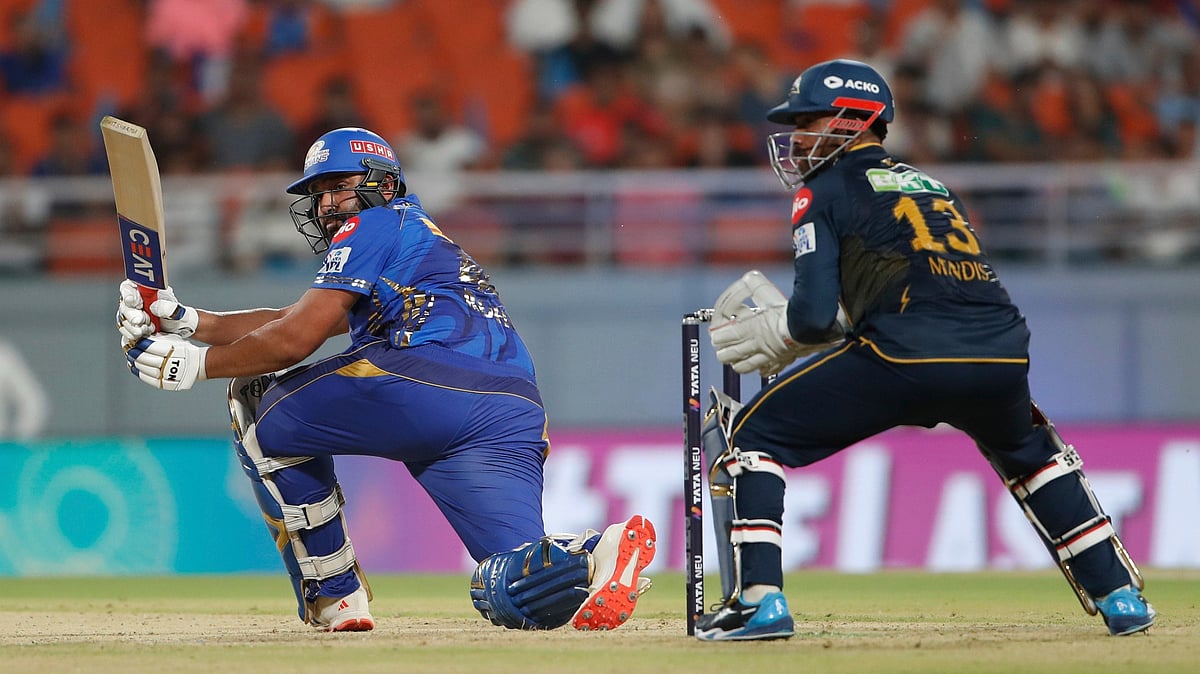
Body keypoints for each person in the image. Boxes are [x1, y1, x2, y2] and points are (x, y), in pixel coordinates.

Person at [115, 127, 655, 632]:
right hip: (511, 409)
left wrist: (193, 364)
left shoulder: (375, 222)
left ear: (385, 184)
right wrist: (188, 320)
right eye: (319, 192)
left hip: (429, 380)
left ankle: (335, 594)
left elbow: (294, 340)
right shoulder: (411, 234)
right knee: (513, 587)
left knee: (255, 398)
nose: (327, 204)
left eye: (339, 186)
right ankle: (597, 553)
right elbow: (295, 319)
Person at [696, 59, 1156, 641]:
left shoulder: (822, 191)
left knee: (751, 436)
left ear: (849, 121)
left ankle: (760, 602)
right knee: (1030, 454)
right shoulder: (934, 187)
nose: (797, 137)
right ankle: (1121, 598)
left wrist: (784, 330)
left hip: (905, 355)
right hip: (1001, 351)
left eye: (808, 121)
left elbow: (811, 318)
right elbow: (927, 282)